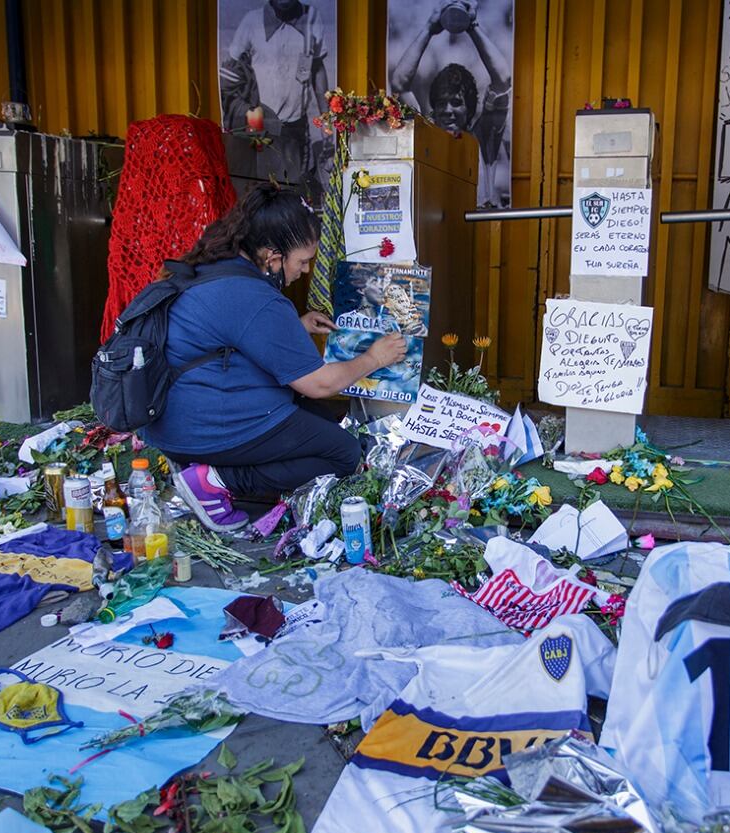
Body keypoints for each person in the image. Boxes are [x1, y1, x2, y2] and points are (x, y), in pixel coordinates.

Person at [141, 186, 408, 532]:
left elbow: (229, 338)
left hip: (174, 415)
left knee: (323, 424)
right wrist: (374, 357)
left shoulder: (220, 267)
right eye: (301, 261)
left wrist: (294, 327)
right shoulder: (257, 297)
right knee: (343, 452)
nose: (306, 269)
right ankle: (215, 480)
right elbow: (321, 384)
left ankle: (201, 463)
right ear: (272, 256)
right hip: (199, 424)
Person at [390, 0, 512, 207]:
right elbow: (400, 85)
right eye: (442, 103)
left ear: (470, 108)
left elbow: (503, 79)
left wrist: (472, 26)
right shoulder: (426, 132)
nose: (448, 110)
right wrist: (429, 29)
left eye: (456, 103)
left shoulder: (483, 137)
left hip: (482, 233)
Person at [223, 0, 331, 194]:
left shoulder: (312, 17)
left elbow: (316, 68)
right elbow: (232, 69)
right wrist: (247, 115)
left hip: (296, 126)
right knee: (260, 190)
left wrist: (326, 120)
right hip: (259, 126)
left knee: (294, 192)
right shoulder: (251, 21)